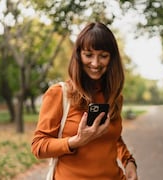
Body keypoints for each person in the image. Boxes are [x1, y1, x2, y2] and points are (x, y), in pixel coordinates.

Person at [31, 22, 138, 180]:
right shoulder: (59, 93)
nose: (95, 63)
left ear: (112, 59)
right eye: (88, 55)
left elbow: (113, 137)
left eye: (103, 56)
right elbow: (38, 146)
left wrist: (128, 161)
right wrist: (76, 141)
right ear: (78, 55)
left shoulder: (114, 97)